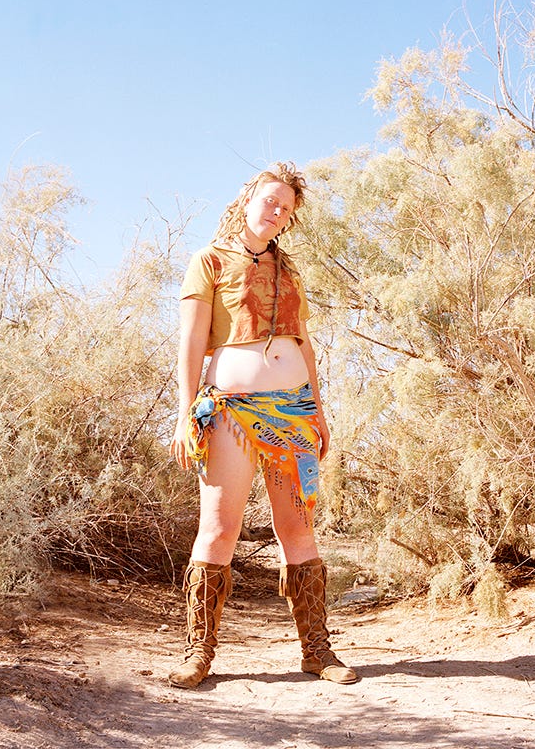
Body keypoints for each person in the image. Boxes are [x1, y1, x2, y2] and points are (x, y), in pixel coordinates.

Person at [168, 161, 357, 689]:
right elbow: (191, 342)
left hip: (293, 412)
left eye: (286, 208)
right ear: (248, 199)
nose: (276, 211)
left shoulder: (289, 270)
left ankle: (317, 651)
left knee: (297, 527)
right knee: (219, 527)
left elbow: (304, 344)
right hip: (231, 409)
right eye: (270, 200)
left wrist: (317, 409)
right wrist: (184, 414)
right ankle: (198, 652)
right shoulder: (208, 260)